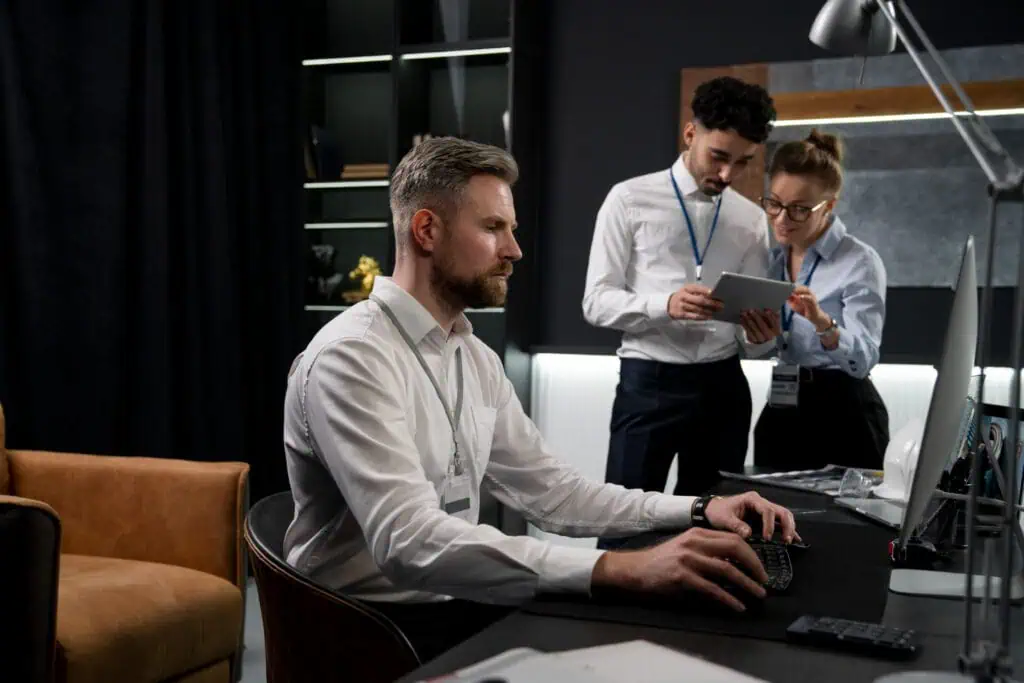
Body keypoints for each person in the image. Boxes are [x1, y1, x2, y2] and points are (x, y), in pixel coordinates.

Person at [282, 136, 801, 664]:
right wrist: (621, 569)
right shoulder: (352, 357)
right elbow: (410, 543)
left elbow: (555, 494)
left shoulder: (473, 356)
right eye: (492, 229)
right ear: (427, 230)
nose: (514, 250)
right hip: (365, 630)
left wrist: (696, 508)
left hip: (450, 603)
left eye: (513, 230)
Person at [582, 76, 780, 546]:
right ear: (690, 134)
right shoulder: (628, 199)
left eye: (743, 162)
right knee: (624, 525)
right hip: (648, 383)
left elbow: (757, 344)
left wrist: (762, 334)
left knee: (721, 533)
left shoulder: (750, 220)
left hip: (723, 388)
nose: (729, 174)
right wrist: (664, 305)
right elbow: (596, 301)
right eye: (719, 156)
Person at [746, 129, 889, 471]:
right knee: (771, 518)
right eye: (775, 203)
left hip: (846, 410)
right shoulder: (772, 260)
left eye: (799, 209)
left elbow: (865, 359)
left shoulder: (860, 261)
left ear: (830, 205)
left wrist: (822, 323)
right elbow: (770, 343)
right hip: (783, 402)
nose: (781, 219)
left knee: (843, 524)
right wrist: (758, 337)